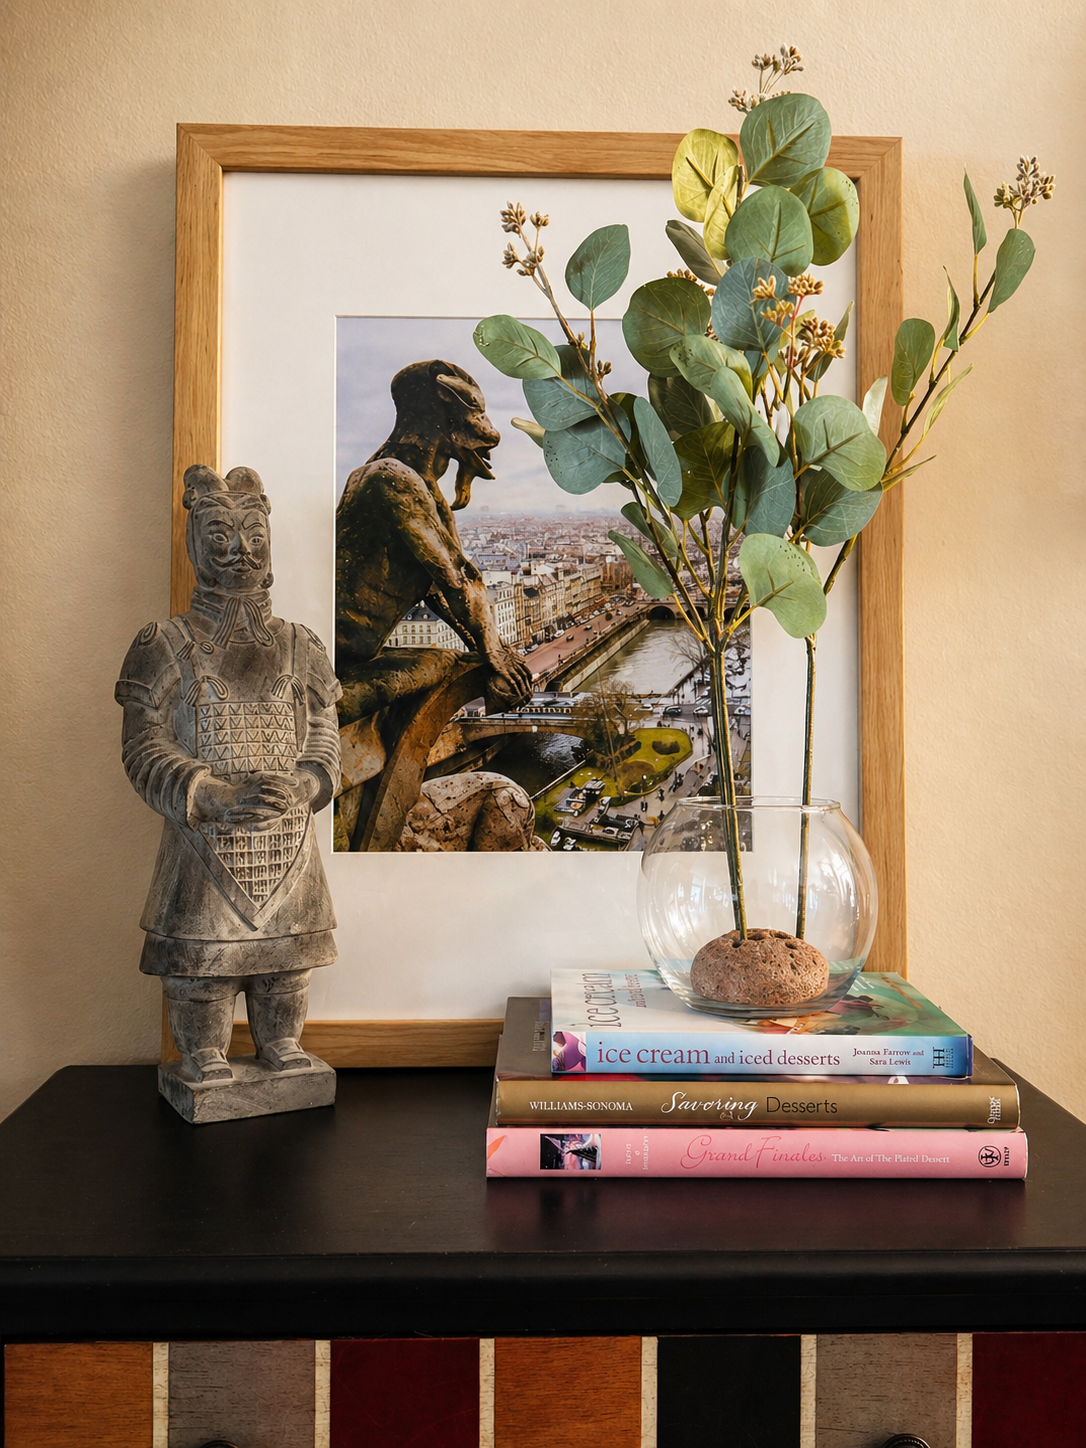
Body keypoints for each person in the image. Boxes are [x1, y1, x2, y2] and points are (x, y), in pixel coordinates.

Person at [116, 465, 341, 1086]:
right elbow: (143, 745)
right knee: (200, 972)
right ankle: (204, 1054)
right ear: (196, 544)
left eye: (253, 535)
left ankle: (282, 1044)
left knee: (285, 968)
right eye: (220, 536)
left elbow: (325, 730)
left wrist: (307, 783)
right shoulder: (163, 644)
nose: (241, 550)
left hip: (287, 840)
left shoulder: (300, 644)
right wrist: (206, 793)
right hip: (200, 845)